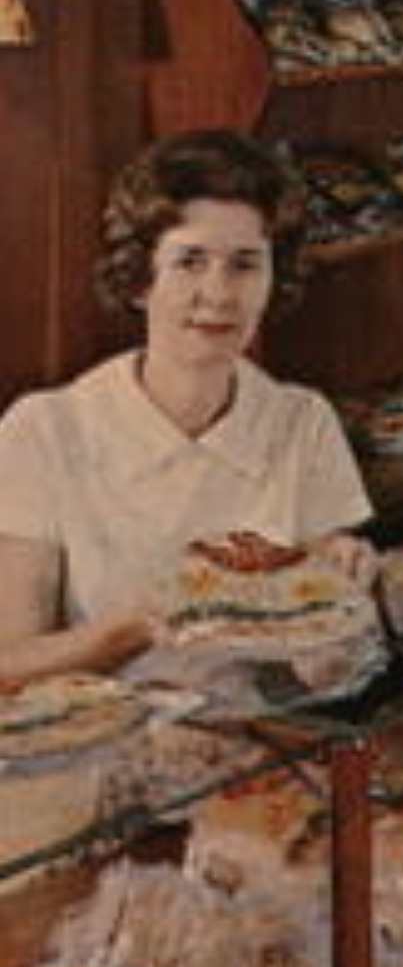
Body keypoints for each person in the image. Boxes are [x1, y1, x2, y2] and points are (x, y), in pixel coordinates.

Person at [0, 129, 375, 684]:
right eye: (190, 262)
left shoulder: (302, 422)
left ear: (275, 281)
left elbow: (324, 677)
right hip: (99, 756)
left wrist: (336, 617)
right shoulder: (45, 431)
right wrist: (130, 630)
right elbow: (8, 669)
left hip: (256, 752)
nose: (219, 294)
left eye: (245, 264)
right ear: (139, 280)